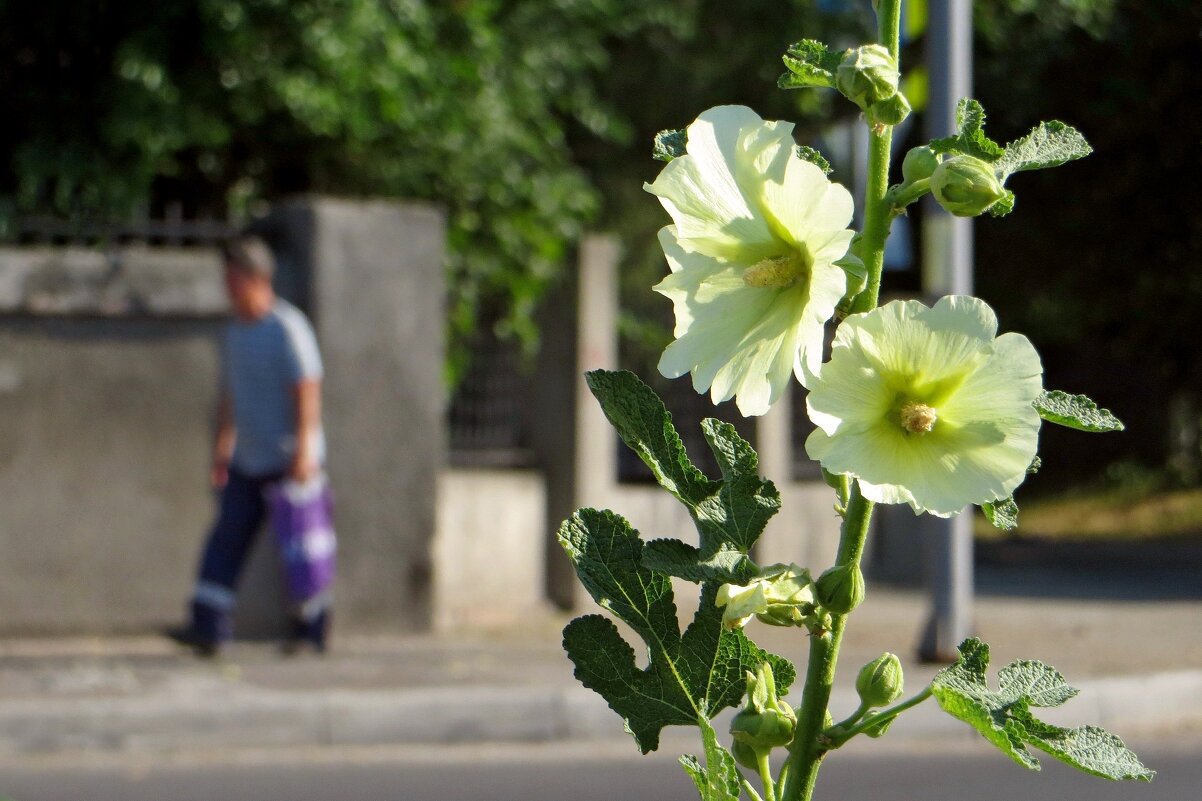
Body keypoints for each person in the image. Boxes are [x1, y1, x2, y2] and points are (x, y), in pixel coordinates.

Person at [171, 235, 330, 656]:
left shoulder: (287, 328)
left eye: (234, 276)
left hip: (288, 460)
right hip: (248, 459)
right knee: (225, 539)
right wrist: (223, 449)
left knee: (299, 546)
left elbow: (307, 391)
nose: (228, 284)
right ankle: (208, 626)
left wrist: (303, 453)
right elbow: (229, 396)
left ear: (258, 278)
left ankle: (311, 629)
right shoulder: (234, 333)